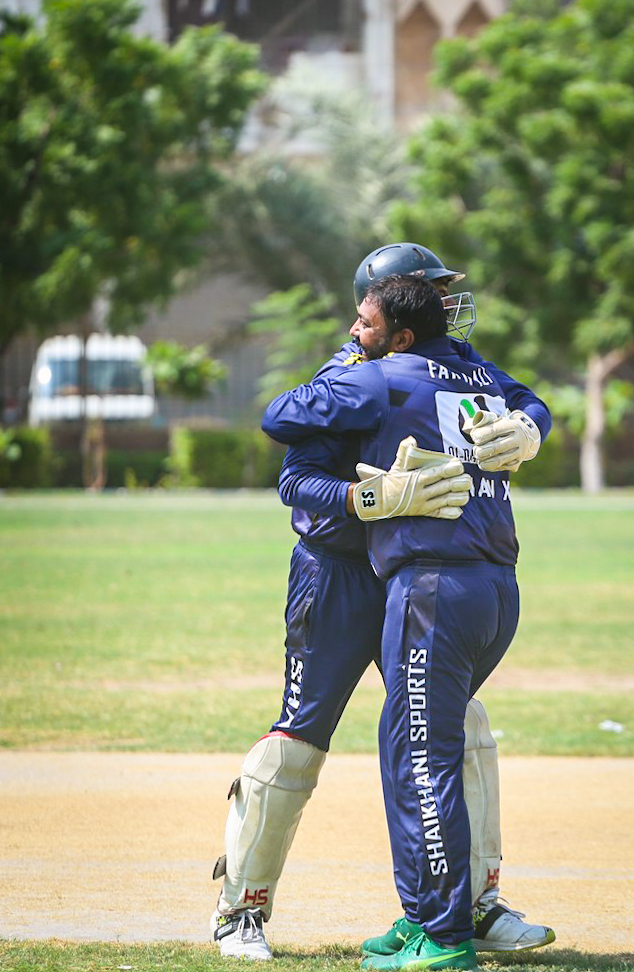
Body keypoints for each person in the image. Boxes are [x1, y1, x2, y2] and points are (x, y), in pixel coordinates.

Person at [211, 246, 553, 961]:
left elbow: (523, 396)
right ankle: (241, 909)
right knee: (301, 737)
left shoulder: (452, 360)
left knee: (456, 726)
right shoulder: (351, 373)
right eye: (434, 290)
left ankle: (472, 903)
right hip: (341, 572)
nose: (448, 303)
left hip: (416, 574)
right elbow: (295, 479)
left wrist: (528, 428)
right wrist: (368, 499)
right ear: (392, 310)